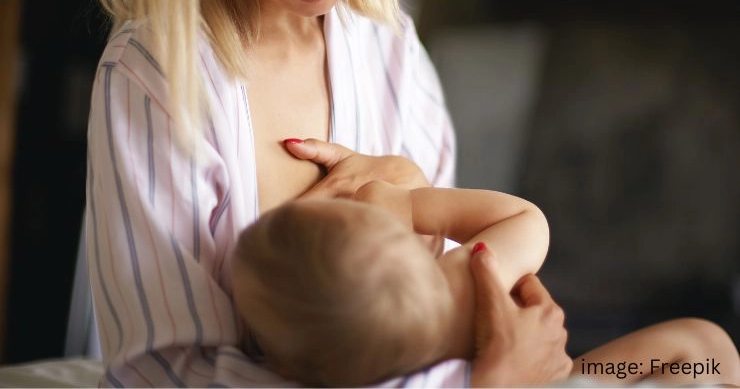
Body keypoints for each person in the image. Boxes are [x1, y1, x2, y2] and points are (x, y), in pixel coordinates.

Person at [85, 0, 571, 387]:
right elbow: (159, 372)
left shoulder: (392, 52)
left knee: (704, 354)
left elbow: (440, 303)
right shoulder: (156, 75)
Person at [231, 147, 740, 387]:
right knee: (707, 350)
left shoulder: (326, 370)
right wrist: (410, 205)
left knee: (703, 352)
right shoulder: (467, 285)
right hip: (556, 382)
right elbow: (527, 220)